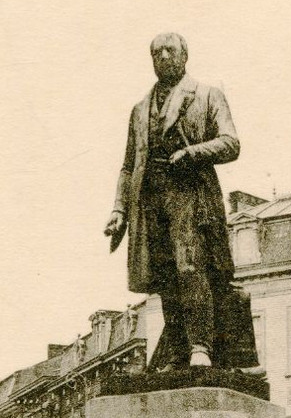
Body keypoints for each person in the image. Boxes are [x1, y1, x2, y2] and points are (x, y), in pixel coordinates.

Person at [105, 33, 257, 371]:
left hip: (192, 197)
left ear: (185, 55)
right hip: (150, 202)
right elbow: (129, 166)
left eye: (169, 50)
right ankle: (177, 350)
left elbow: (231, 143)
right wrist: (119, 209)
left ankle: (200, 347)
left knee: (192, 269)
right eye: (156, 52)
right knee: (164, 276)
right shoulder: (139, 109)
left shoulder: (206, 95)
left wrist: (193, 153)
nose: (163, 56)